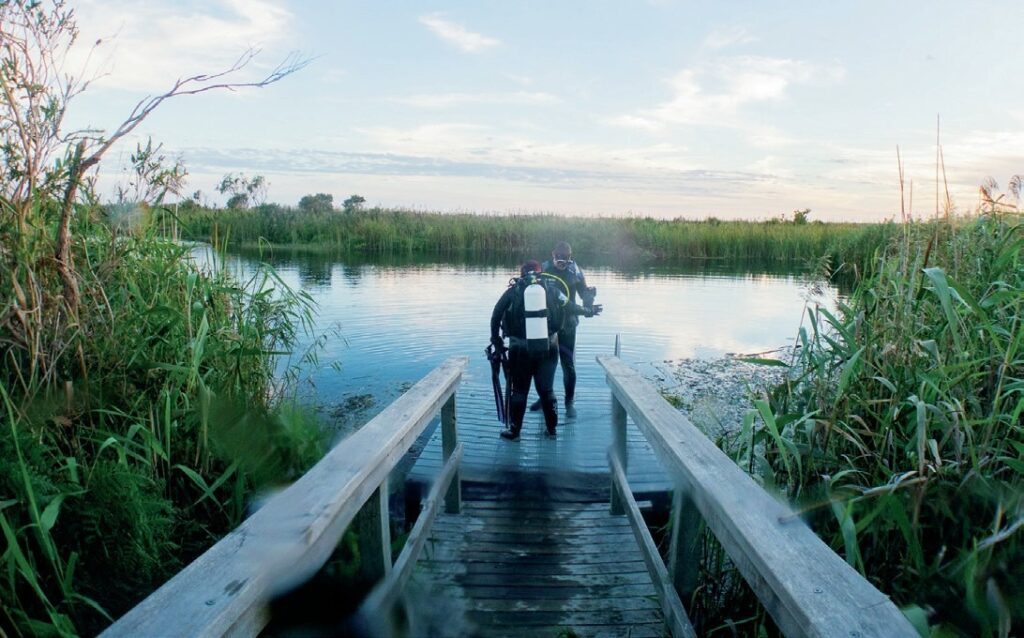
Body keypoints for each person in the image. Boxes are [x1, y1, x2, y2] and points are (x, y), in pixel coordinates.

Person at [490, 260, 589, 441]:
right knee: (547, 390)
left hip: (519, 350)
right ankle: (552, 430)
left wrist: (496, 340)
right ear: (541, 273)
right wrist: (588, 310)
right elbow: (569, 306)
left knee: (519, 391)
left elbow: (496, 315)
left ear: (522, 274)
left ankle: (515, 431)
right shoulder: (551, 290)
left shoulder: (513, 291)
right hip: (548, 348)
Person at [530, 241, 601, 419]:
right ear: (552, 254)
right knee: (544, 365)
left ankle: (569, 402)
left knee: (567, 364)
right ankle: (544, 397)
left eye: (566, 257)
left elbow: (583, 293)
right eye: (558, 257)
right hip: (547, 325)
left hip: (568, 325)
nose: (561, 260)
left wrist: (589, 299)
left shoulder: (575, 271)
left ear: (571, 256)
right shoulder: (543, 269)